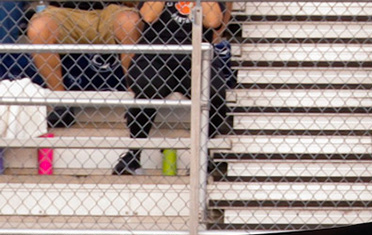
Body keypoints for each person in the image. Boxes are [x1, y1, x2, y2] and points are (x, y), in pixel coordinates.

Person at [117, 0, 229, 176]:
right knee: (147, 84)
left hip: (195, 58)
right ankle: (133, 153)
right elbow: (149, 15)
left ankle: (202, 157)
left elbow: (213, 21)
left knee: (214, 90)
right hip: (156, 55)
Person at [27, 1, 140, 129]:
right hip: (63, 10)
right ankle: (60, 103)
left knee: (129, 22)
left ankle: (135, 102)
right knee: (39, 28)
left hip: (109, 9)